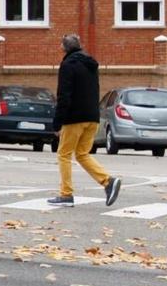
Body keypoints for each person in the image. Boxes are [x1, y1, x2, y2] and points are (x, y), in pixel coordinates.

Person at [48, 34, 122, 207]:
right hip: (92, 117)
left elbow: (64, 95)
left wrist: (57, 123)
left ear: (63, 48)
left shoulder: (68, 65)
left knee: (64, 154)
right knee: (82, 154)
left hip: (74, 118)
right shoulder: (91, 64)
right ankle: (108, 182)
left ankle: (66, 195)